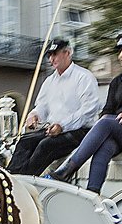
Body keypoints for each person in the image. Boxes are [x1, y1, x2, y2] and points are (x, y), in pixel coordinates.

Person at [47, 31, 122, 194]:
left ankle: (67, 170)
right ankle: (92, 193)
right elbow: (108, 110)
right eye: (120, 50)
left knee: (105, 123)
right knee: (105, 145)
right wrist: (103, 125)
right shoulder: (117, 82)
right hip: (117, 130)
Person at [8, 38, 100, 176]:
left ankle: (24, 180)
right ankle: (11, 178)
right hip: (53, 130)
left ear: (67, 53)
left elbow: (88, 111)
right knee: (24, 142)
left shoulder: (84, 77)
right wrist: (34, 116)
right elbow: (42, 106)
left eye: (55, 54)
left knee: (45, 146)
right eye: (49, 55)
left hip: (81, 131)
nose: (51, 59)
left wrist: (62, 125)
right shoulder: (49, 81)